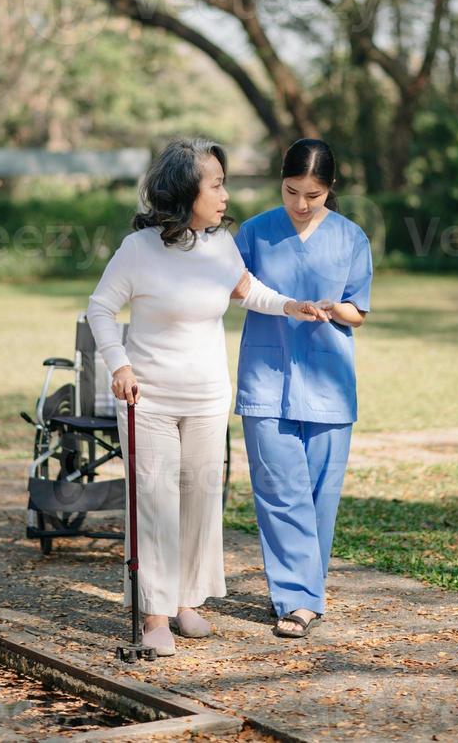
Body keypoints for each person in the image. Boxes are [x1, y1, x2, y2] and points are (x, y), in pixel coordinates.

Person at [86, 138, 328, 657]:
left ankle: (187, 602)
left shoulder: (220, 243)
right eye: (215, 184)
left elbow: (249, 290)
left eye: (223, 183)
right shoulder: (139, 250)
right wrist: (119, 365)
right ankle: (154, 613)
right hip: (147, 400)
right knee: (155, 502)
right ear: (184, 190)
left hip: (208, 398)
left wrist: (293, 306)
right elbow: (100, 309)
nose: (224, 194)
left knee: (199, 501)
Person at [235, 138, 373, 638]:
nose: (299, 204)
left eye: (312, 195)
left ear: (329, 190)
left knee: (320, 496)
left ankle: (305, 594)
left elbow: (358, 310)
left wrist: (335, 309)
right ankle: (299, 600)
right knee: (277, 492)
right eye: (292, 191)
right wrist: (283, 303)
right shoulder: (254, 233)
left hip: (329, 382)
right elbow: (234, 286)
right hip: (265, 379)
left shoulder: (352, 238)